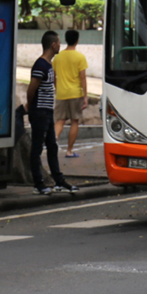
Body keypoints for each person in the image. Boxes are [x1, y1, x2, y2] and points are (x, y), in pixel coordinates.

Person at [27, 31, 79, 195]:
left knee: (52, 146)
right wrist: (33, 107)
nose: (60, 45)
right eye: (58, 42)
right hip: (40, 112)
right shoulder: (40, 65)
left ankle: (58, 180)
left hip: (48, 112)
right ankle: (38, 183)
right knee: (37, 148)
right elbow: (31, 90)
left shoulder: (48, 65)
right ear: (53, 45)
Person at [52, 29, 90, 158]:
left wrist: (58, 88)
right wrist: (85, 96)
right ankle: (69, 151)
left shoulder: (58, 57)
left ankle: (53, 140)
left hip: (61, 94)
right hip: (75, 93)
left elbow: (54, 76)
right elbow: (83, 78)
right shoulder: (80, 57)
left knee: (60, 120)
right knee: (75, 121)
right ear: (77, 40)